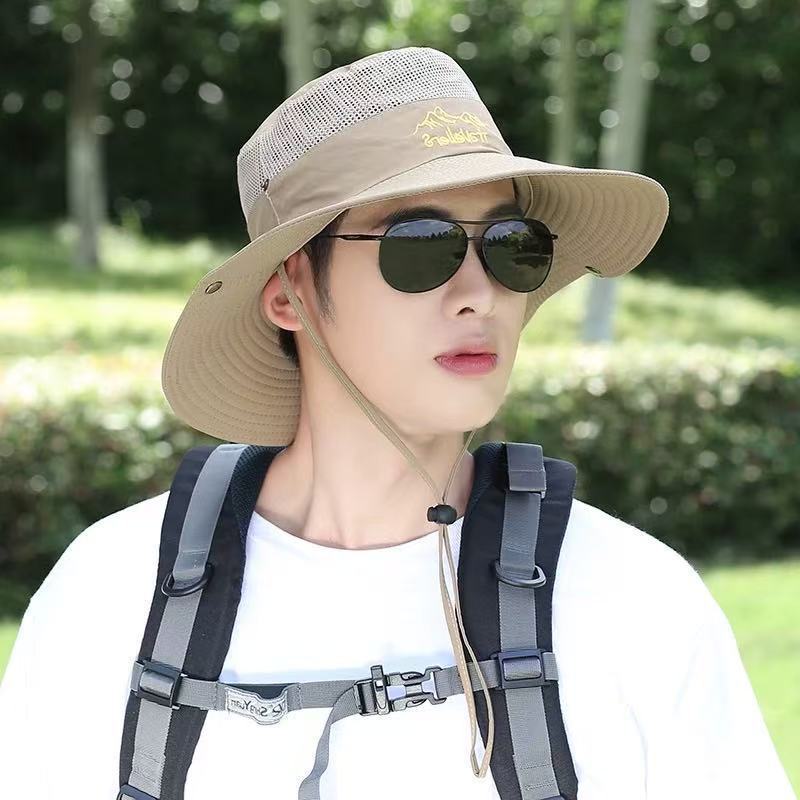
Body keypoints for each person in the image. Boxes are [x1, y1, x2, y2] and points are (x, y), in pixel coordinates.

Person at [0, 46, 795, 800]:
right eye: (421, 245)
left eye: (511, 246)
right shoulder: (109, 594)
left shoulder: (635, 602)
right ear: (290, 293)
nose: (479, 295)